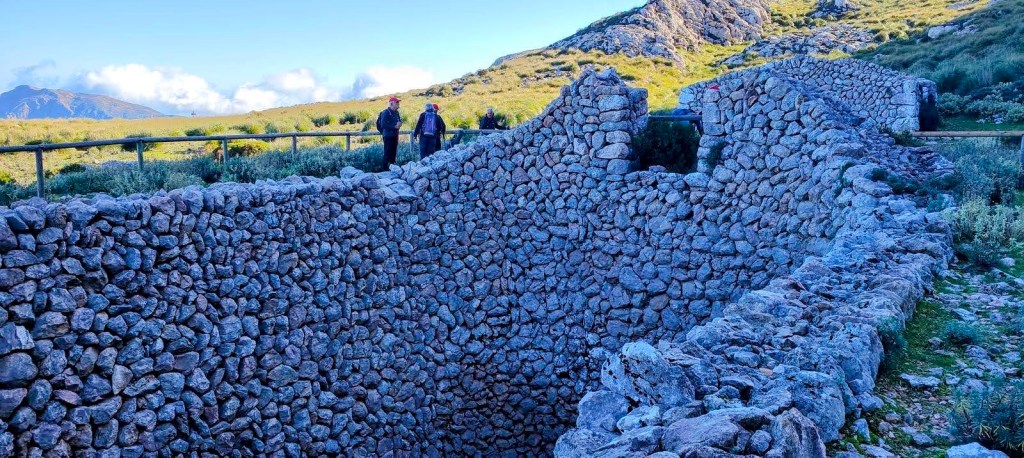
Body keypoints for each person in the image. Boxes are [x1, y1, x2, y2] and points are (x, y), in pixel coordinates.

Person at [376, 96, 402, 167]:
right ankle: (385, 169)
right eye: (396, 103)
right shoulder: (385, 112)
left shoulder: (396, 112)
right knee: (387, 152)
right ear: (391, 104)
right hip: (388, 135)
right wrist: (394, 126)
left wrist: (399, 124)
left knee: (393, 152)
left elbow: (399, 121)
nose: (398, 104)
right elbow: (383, 124)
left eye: (398, 102)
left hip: (395, 135)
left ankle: (392, 167)